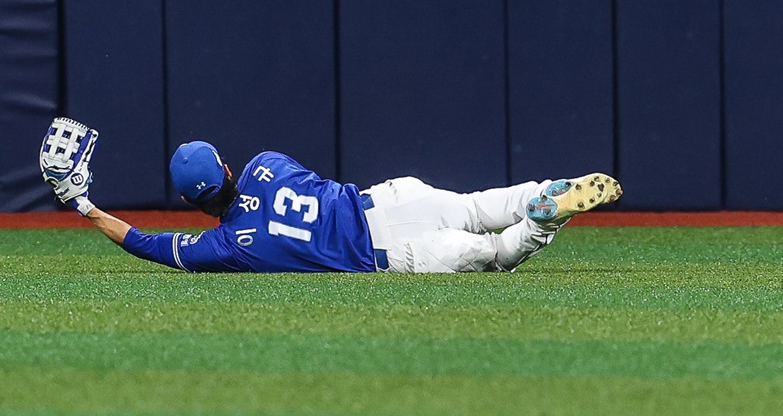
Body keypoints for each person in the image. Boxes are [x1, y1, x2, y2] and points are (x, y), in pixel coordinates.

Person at [39, 117, 622, 273]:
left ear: (196, 200)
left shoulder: (233, 247)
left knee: (496, 257)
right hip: (389, 200)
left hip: (391, 256)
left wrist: (85, 206)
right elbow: (265, 185)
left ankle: (544, 224)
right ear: (224, 163)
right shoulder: (268, 164)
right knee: (477, 204)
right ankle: (543, 195)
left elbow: (148, 244)